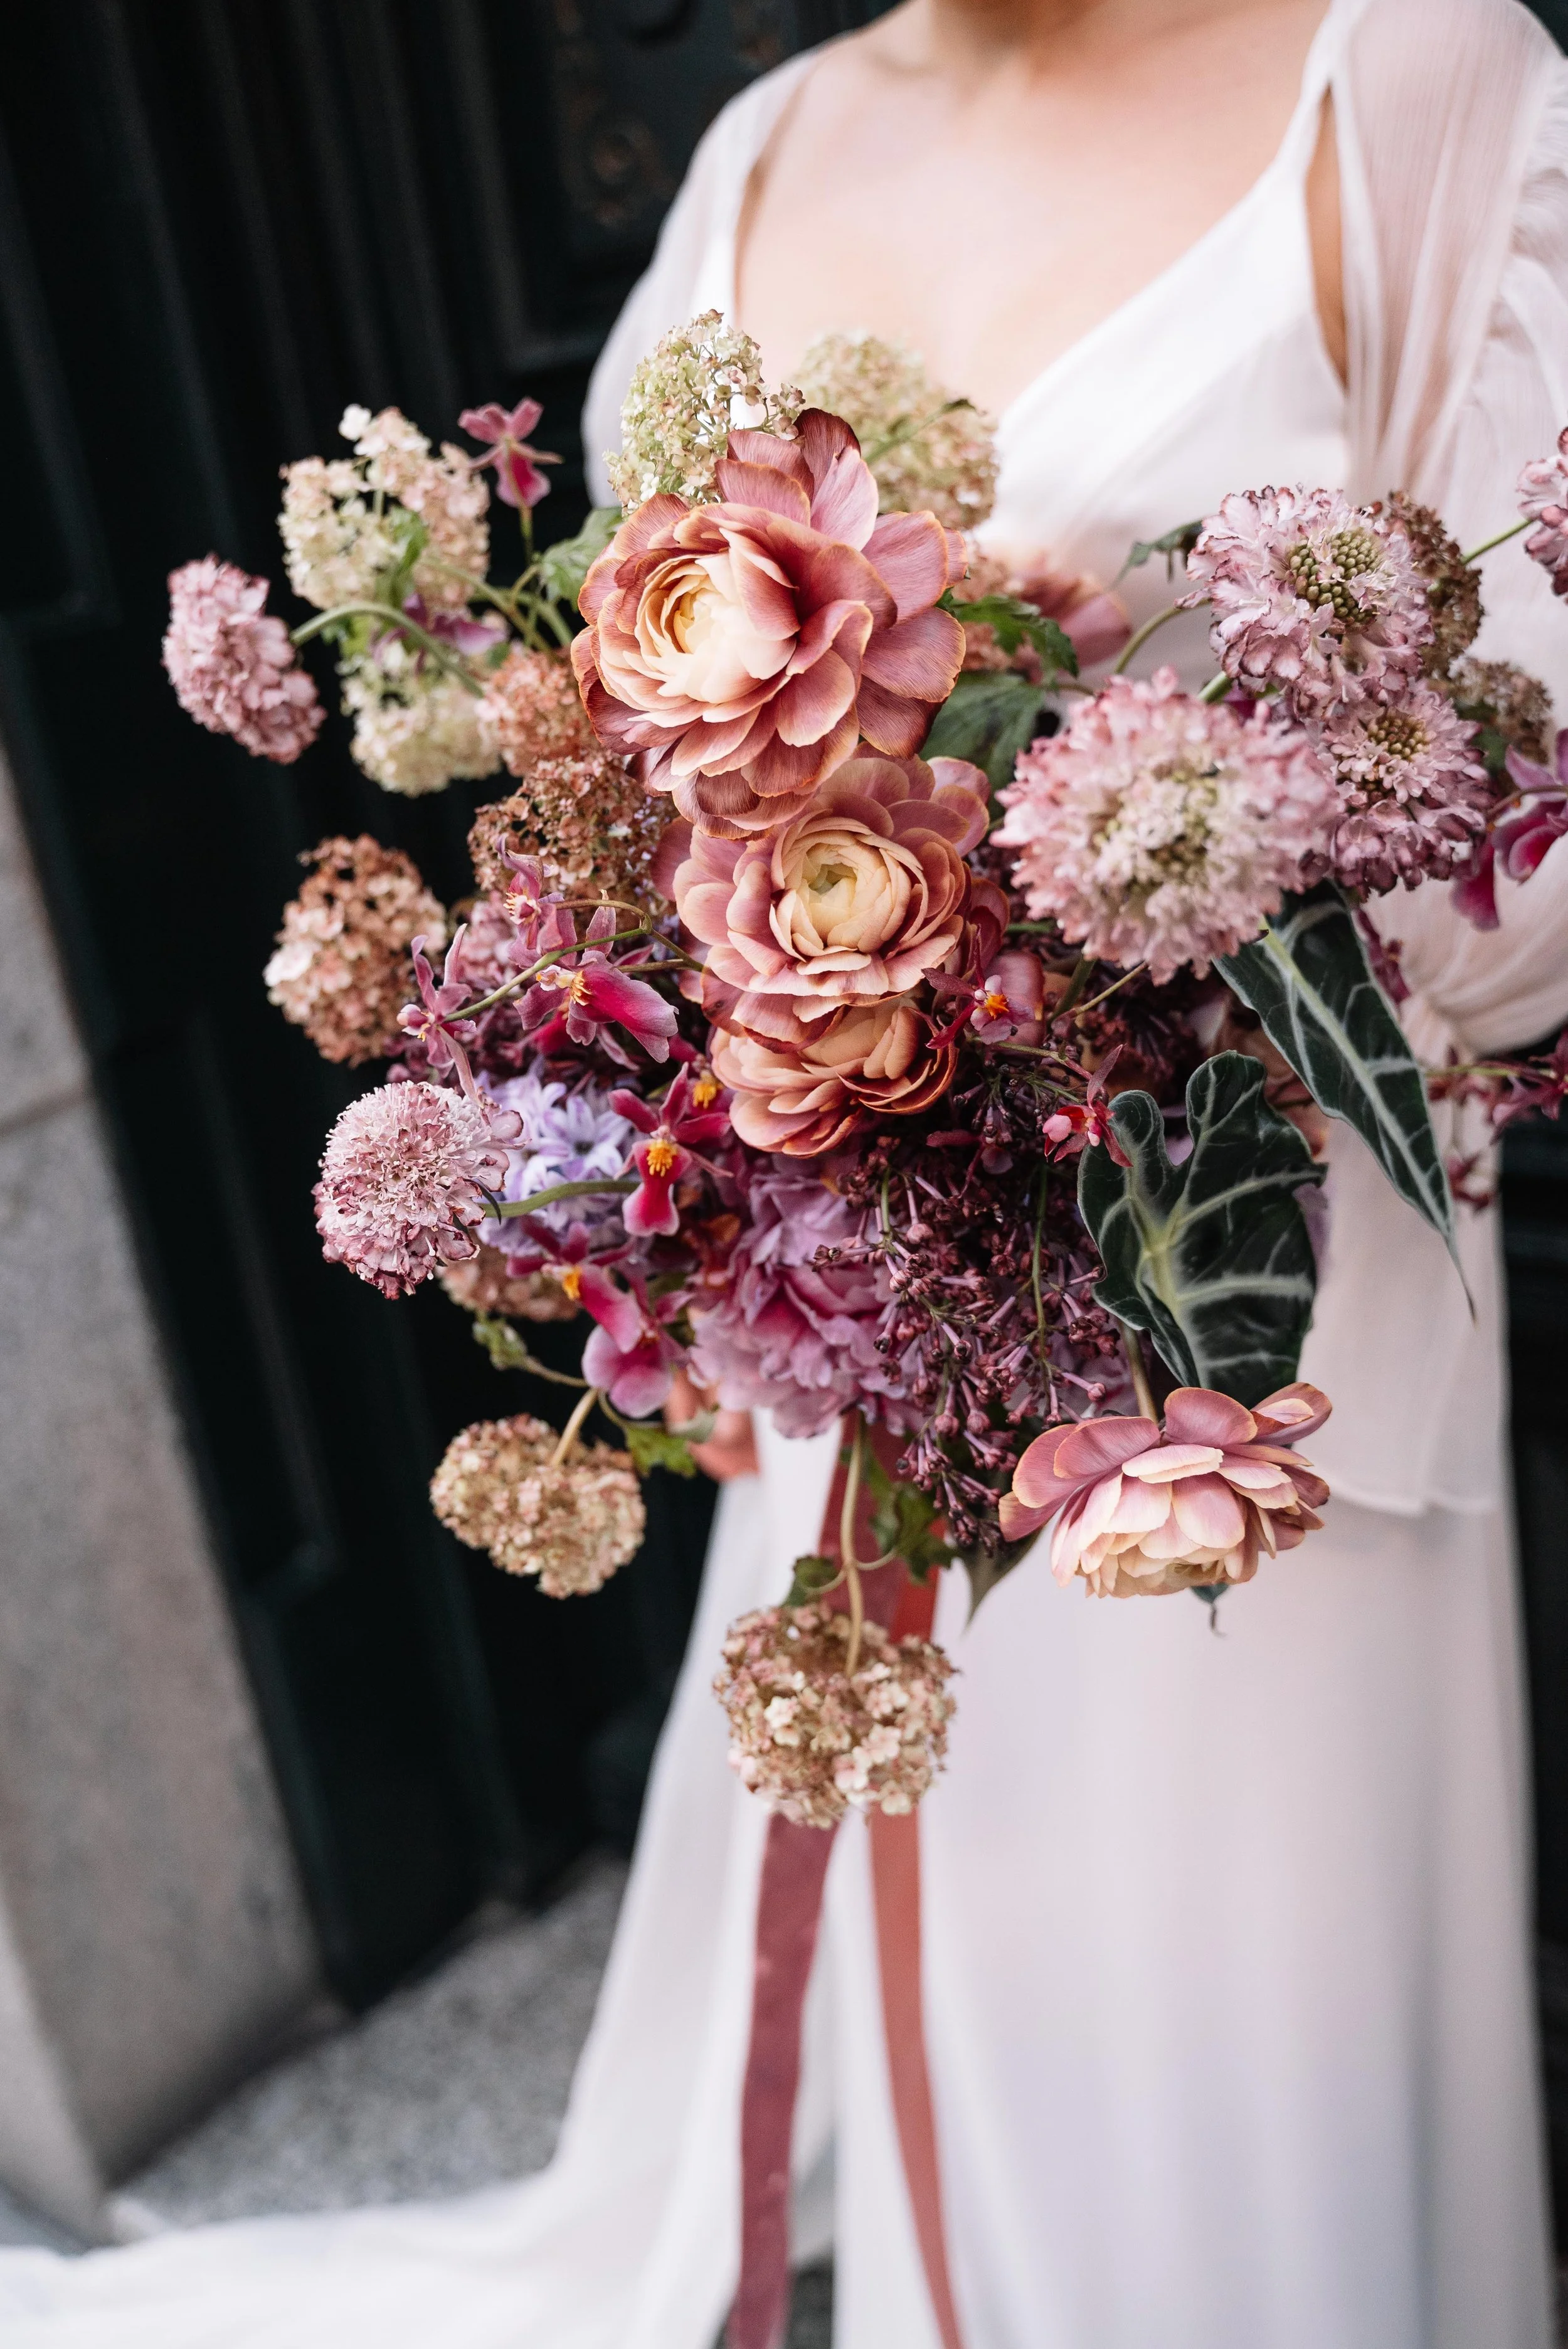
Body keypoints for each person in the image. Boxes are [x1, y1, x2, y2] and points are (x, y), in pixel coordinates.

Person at [3, 1, 1567, 2343]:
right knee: (970, 2011)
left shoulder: (1418, 73)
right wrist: (685, 1152)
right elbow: (624, 778)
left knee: (1257, 2082)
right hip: (857, 1284)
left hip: (1259, 1341)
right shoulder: (758, 153)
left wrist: (1104, 842)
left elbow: (1527, 817)